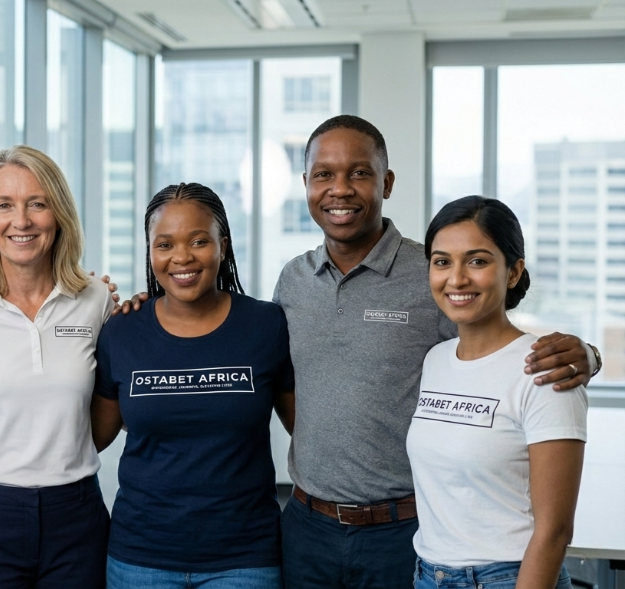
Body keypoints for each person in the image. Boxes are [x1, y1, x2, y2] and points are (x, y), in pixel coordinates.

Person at [272, 115, 598, 589]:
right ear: (306, 183)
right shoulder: (293, 279)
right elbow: (284, 377)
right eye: (324, 174)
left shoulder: (431, 270)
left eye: (359, 173)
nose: (339, 189)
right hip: (307, 525)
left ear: (386, 182)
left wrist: (588, 354)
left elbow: (495, 344)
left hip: (405, 530)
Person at [92, 183, 293, 588]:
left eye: (199, 241)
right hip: (141, 559)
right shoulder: (123, 332)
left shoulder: (267, 325)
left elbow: (308, 431)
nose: (182, 257)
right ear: (150, 250)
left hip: (245, 559)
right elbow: (90, 437)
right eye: (164, 244)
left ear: (223, 244)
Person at [0, 146, 112, 588]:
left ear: (59, 213)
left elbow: (117, 401)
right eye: (5, 205)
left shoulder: (97, 301)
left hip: (77, 517)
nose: (22, 221)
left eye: (37, 203)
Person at [408, 195, 585, 589]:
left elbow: (555, 531)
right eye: (442, 262)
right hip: (428, 574)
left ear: (513, 271)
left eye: (477, 261)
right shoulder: (435, 360)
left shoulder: (543, 368)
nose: (456, 279)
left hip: (508, 577)